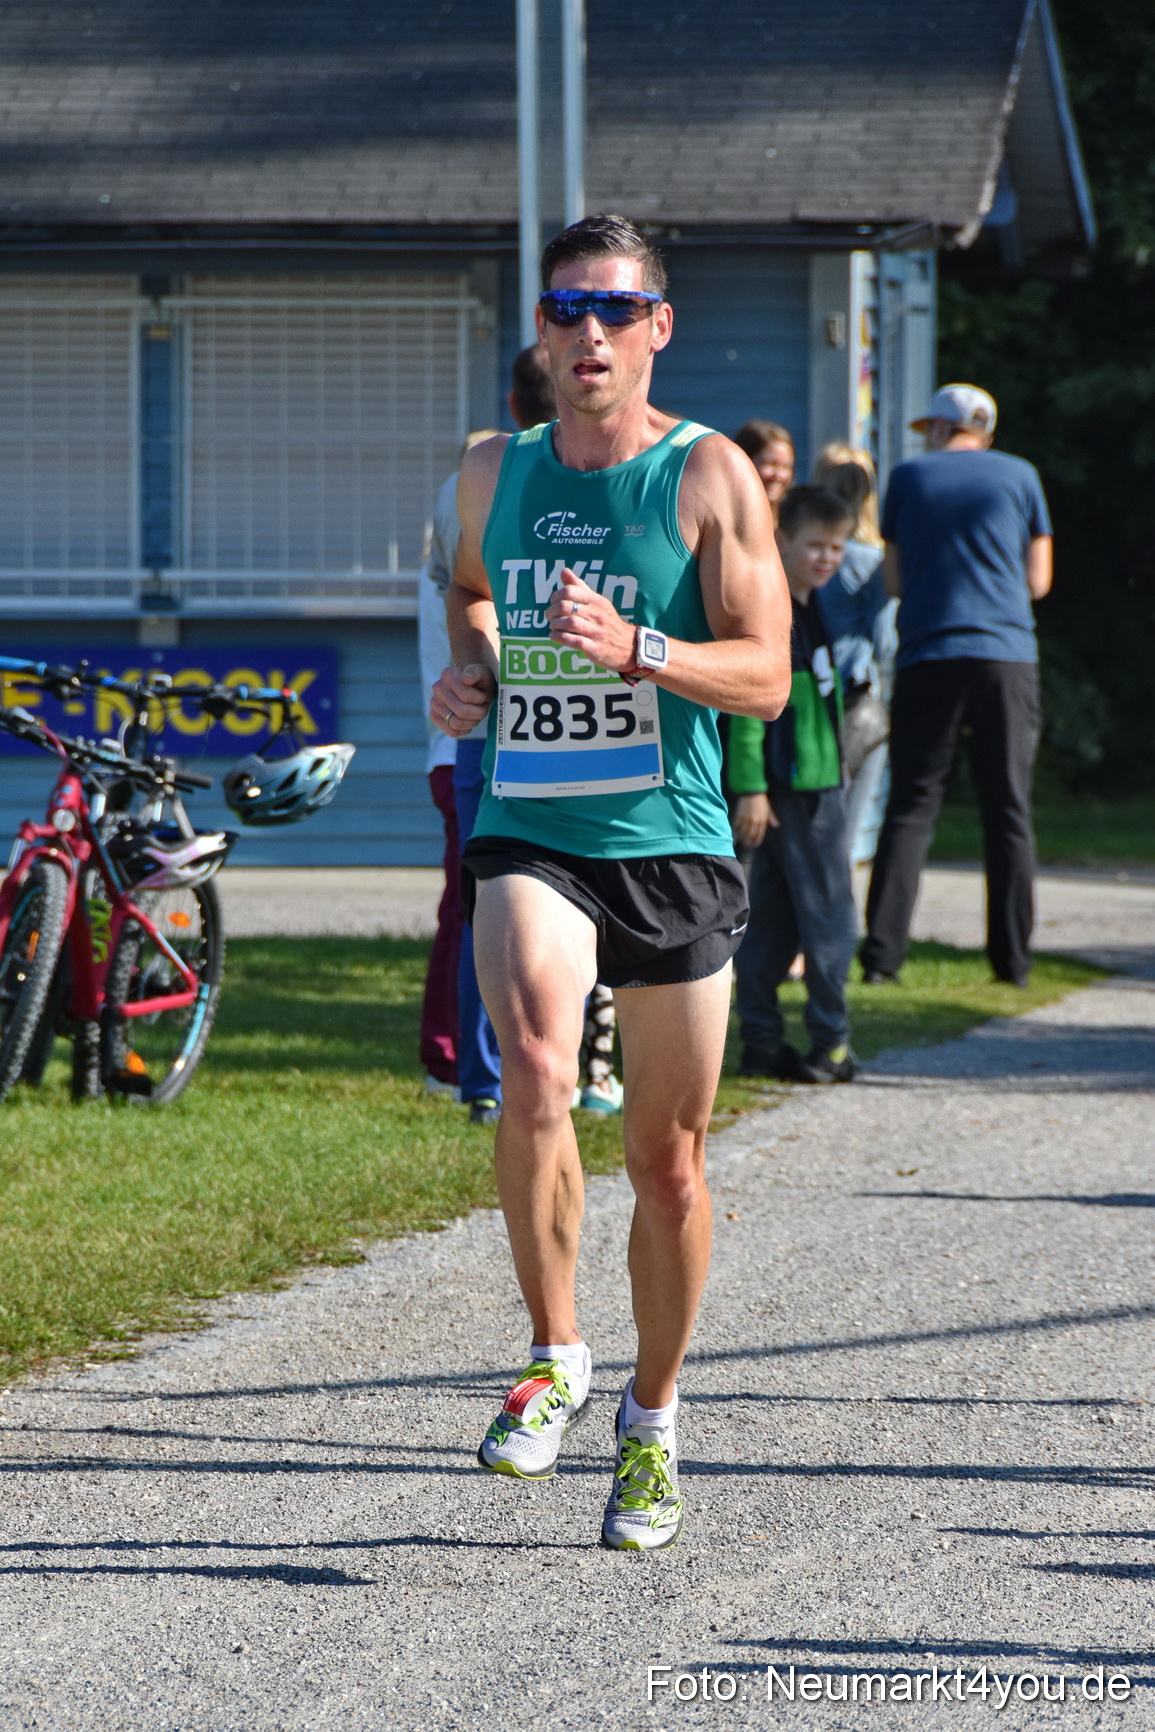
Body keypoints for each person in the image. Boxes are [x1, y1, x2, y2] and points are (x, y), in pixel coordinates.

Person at [431, 212, 791, 1551]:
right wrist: (475, 669)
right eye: (564, 309)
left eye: (615, 309)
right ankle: (554, 1354)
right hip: (532, 820)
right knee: (532, 1057)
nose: (588, 332)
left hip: (673, 840)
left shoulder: (706, 476)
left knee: (669, 1165)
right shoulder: (493, 468)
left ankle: (651, 1421)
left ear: (658, 328)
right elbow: (471, 591)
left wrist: (641, 648)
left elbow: (767, 672)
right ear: (540, 329)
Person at [861, 384, 1053, 988]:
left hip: (931, 656)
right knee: (1009, 809)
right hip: (1006, 658)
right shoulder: (1022, 475)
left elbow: (894, 581)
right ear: (985, 431)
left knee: (912, 806)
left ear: (942, 428)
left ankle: (882, 960)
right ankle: (1012, 964)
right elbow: (1039, 581)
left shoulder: (908, 478)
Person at [728, 485, 859, 1083]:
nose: (827, 557)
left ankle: (762, 1044)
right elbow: (750, 707)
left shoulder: (812, 605)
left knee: (771, 920)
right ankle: (831, 1043)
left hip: (810, 784)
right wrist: (750, 786)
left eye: (837, 547)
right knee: (829, 915)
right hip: (800, 794)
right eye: (815, 545)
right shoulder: (775, 611)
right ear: (780, 540)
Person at [421, 429, 502, 1115]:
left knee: (476, 909)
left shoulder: (464, 490)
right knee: (478, 910)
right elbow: (462, 591)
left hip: (474, 739)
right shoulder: (470, 492)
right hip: (475, 740)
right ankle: (480, 1076)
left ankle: (487, 1077)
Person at [810, 445, 897, 866]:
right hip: (857, 699)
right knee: (845, 828)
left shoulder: (797, 554)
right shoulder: (873, 561)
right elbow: (884, 643)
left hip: (806, 696)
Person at [733, 419, 795, 524]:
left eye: (785, 467)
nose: (778, 476)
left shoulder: (794, 524)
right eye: (770, 464)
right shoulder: (723, 518)